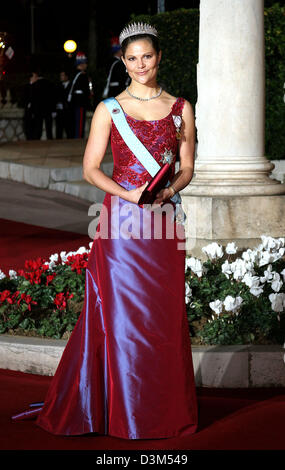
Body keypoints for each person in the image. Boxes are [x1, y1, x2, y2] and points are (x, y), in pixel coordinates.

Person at [12, 22, 198, 439]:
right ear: (123, 62)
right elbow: (90, 169)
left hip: (164, 224)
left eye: (146, 56)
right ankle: (122, 410)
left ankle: (160, 407)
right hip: (121, 223)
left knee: (162, 317)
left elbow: (187, 166)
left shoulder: (181, 107)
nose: (140, 65)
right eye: (131, 58)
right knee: (122, 316)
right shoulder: (108, 108)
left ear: (159, 57)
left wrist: (169, 188)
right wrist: (128, 195)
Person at [23, 70, 55, 140]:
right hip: (46, 108)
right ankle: (49, 138)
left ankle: (37, 138)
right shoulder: (49, 83)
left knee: (38, 125)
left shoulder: (35, 85)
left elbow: (33, 98)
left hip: (38, 109)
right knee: (47, 126)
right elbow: (52, 97)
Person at [67, 52, 90, 138]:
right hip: (80, 101)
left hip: (75, 101)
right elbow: (85, 90)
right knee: (80, 121)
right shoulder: (82, 75)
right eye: (85, 63)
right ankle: (79, 137)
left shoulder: (74, 74)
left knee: (76, 121)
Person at [55, 70, 73, 139]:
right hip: (60, 111)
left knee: (69, 130)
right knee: (59, 130)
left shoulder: (71, 86)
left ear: (66, 76)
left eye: (62, 75)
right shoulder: (58, 85)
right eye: (60, 75)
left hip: (68, 112)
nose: (61, 77)